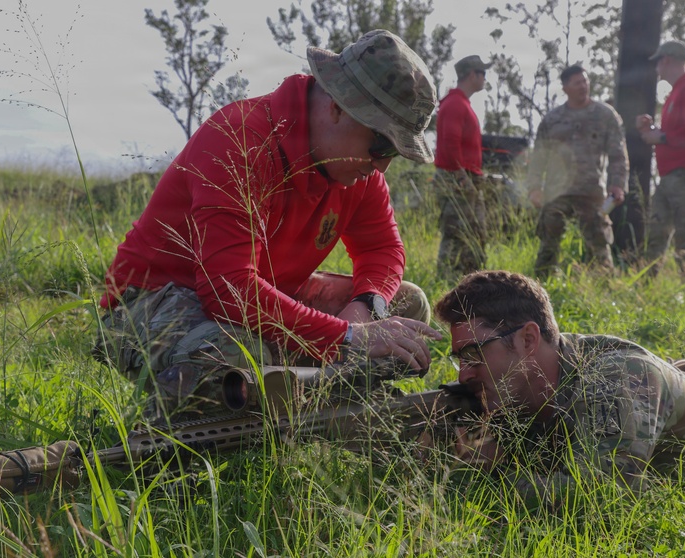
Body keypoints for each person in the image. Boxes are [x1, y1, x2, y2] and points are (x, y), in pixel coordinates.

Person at [93, 30, 442, 420]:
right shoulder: (239, 140)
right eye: (381, 144)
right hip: (154, 302)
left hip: (256, 298)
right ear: (338, 108)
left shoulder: (358, 169)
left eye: (395, 152)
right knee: (236, 353)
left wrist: (366, 307)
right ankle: (165, 439)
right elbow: (229, 290)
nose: (382, 165)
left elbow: (382, 248)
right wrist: (347, 336)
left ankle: (311, 407)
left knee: (405, 305)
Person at [434, 269, 685, 507]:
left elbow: (605, 498)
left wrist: (494, 469)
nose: (465, 373)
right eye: (459, 359)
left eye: (473, 355)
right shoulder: (539, 366)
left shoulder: (618, 379)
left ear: (527, 339)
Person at [526, 64, 629, 277]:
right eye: (577, 83)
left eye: (585, 81)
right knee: (548, 243)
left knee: (599, 244)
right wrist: (535, 188)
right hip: (557, 192)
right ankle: (541, 288)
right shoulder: (552, 119)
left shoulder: (605, 115)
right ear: (565, 88)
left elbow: (618, 154)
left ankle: (603, 290)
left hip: (591, 191)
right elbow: (539, 157)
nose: (583, 86)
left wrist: (617, 184)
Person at [636, 40, 685, 271]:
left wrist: (657, 137)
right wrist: (651, 131)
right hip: (671, 176)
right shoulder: (678, 90)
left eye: (658, 63)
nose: (656, 68)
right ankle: (645, 289)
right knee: (656, 235)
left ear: (666, 60)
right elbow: (678, 133)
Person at [433, 54, 491, 277]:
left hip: (467, 177)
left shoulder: (461, 103)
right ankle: (447, 279)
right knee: (456, 232)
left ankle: (470, 280)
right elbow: (449, 143)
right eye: (482, 73)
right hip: (458, 178)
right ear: (471, 75)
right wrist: (461, 177)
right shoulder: (455, 104)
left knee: (474, 233)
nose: (484, 78)